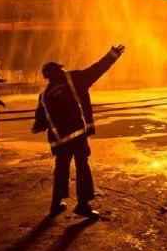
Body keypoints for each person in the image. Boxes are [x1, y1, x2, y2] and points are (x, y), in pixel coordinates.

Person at [32, 44, 125, 219]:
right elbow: (97, 69)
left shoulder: (44, 95)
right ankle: (83, 205)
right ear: (59, 71)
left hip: (60, 140)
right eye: (61, 69)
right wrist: (112, 55)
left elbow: (41, 120)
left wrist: (37, 127)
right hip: (77, 135)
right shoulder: (74, 80)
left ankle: (56, 203)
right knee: (82, 167)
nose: (64, 70)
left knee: (61, 168)